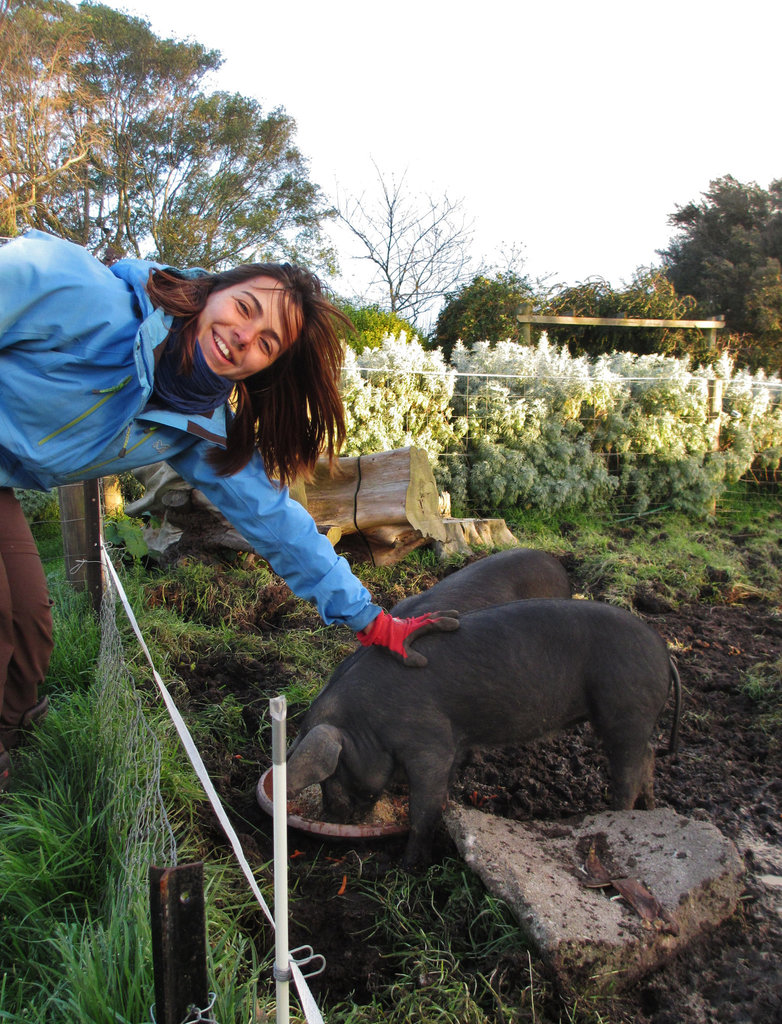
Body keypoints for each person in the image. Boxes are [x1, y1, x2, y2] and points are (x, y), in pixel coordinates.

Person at [0, 229, 458, 790]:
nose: (243, 337)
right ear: (213, 291)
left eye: (267, 343)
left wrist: (372, 620)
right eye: (245, 308)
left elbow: (278, 525)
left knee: (27, 625)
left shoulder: (199, 427)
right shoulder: (79, 293)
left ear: (265, 367)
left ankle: (11, 740)